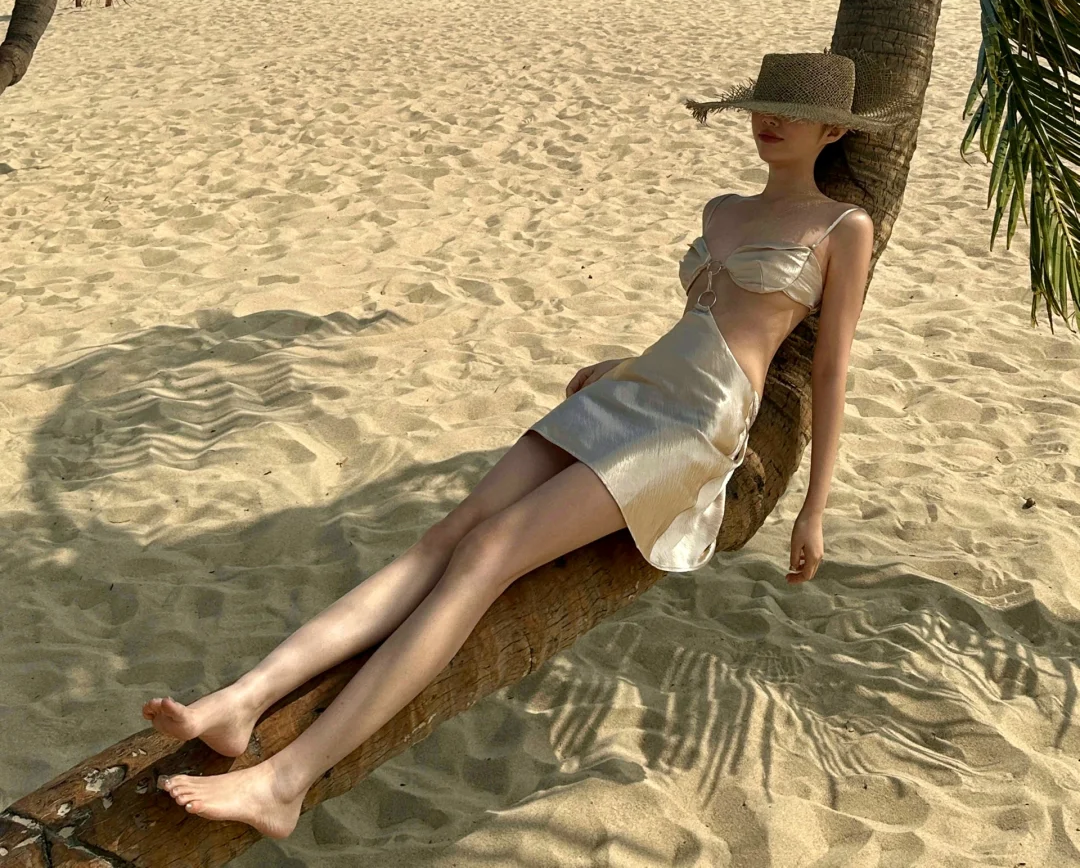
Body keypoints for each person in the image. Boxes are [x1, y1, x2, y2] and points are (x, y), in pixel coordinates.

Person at [150, 51, 879, 838]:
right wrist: (621, 366)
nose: (770, 123)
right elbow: (699, 323)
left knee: (489, 553)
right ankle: (243, 700)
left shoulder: (844, 227)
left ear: (833, 132)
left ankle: (286, 781)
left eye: (794, 114)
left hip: (697, 423)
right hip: (635, 389)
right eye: (762, 107)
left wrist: (813, 511)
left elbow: (830, 370)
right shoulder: (723, 208)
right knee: (447, 535)